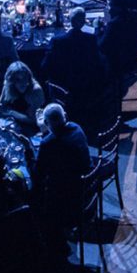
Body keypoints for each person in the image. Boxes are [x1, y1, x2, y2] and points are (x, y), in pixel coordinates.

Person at [31, 103, 91, 260]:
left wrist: (29, 149)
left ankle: (53, 246)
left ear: (47, 123)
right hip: (86, 181)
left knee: (35, 196)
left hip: (68, 194)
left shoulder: (48, 143)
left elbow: (38, 173)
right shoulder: (76, 127)